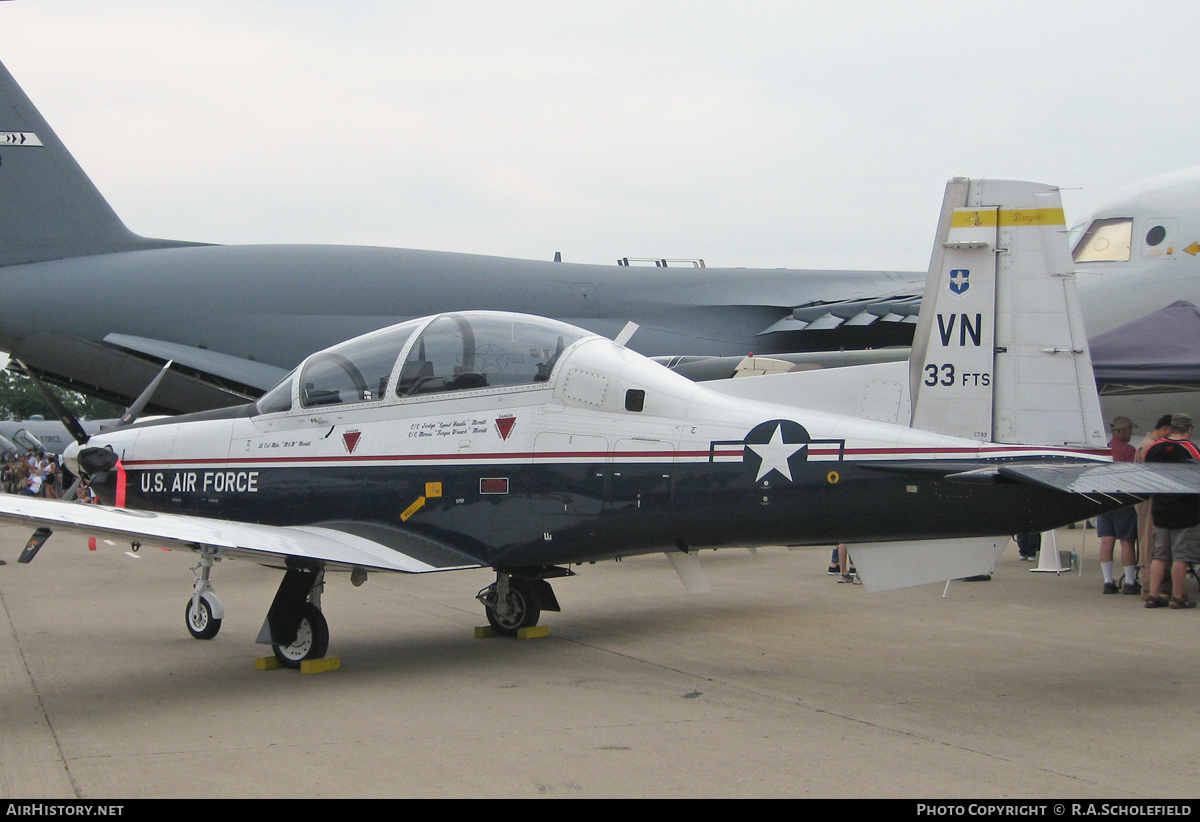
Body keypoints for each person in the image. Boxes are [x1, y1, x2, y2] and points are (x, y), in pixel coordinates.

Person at [1142, 414, 1200, 609]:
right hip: (1185, 510)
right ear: (1189, 430)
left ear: (1171, 428)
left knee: (1159, 555)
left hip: (1159, 508)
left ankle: (1153, 595)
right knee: (1181, 556)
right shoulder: (1191, 450)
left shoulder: (1153, 448)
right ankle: (1177, 596)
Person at [1097, 416, 1139, 594]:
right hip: (1123, 499)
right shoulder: (1128, 450)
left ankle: (1108, 581)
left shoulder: (1104, 449)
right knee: (1127, 541)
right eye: (1129, 429)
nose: (1130, 433)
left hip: (1103, 499)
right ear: (1121, 431)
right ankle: (1130, 582)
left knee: (1107, 540)